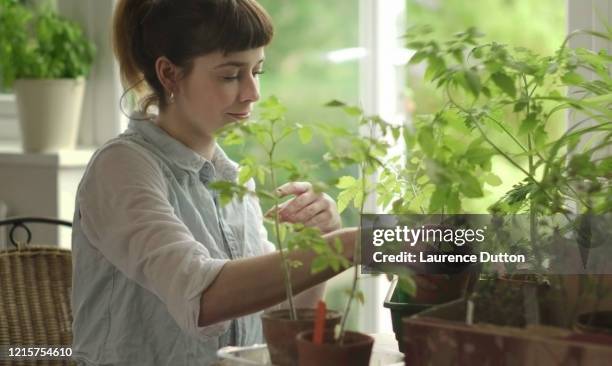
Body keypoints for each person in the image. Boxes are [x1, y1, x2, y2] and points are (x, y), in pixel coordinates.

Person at [70, 1, 357, 365]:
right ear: (170, 74)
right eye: (230, 75)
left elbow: (281, 321)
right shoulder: (122, 169)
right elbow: (202, 297)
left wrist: (325, 242)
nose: (253, 92)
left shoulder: (235, 182)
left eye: (258, 71)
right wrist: (353, 245)